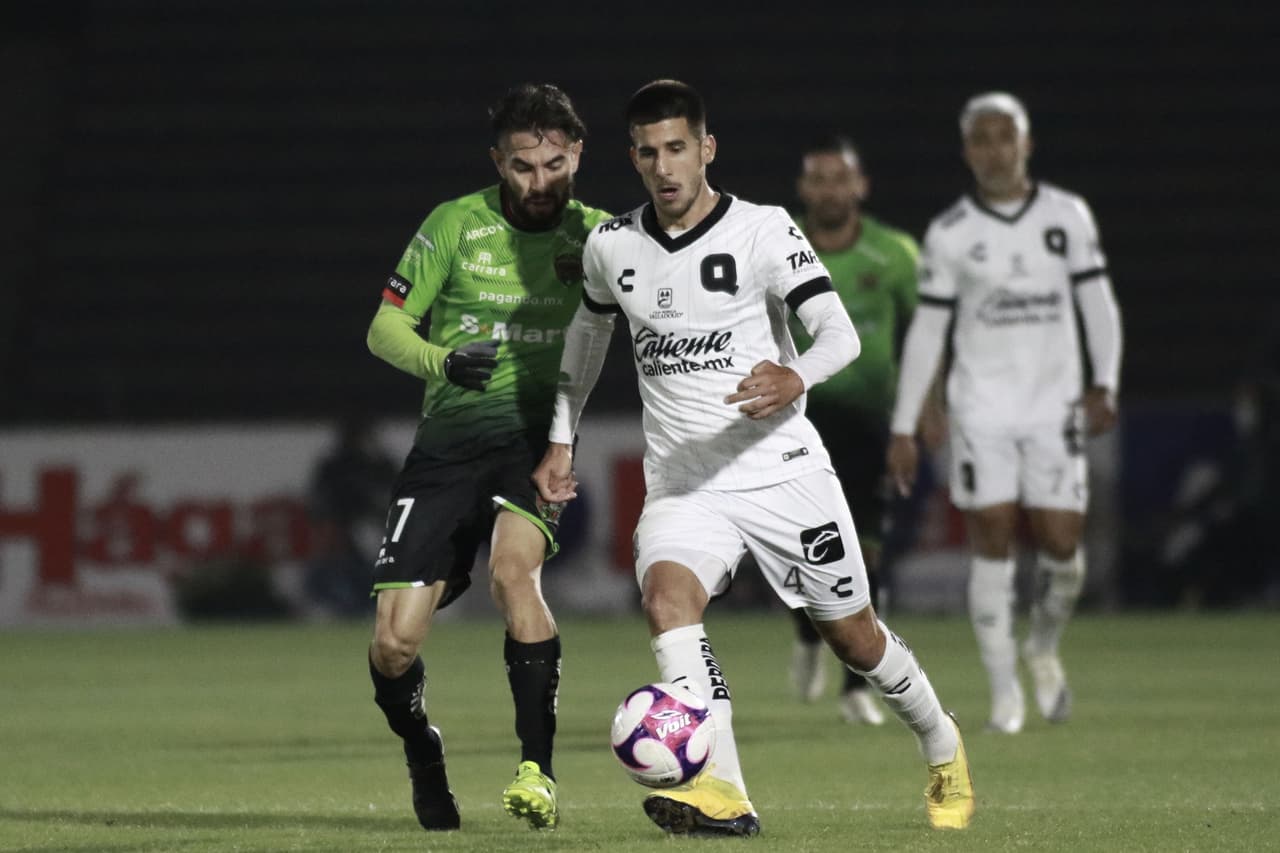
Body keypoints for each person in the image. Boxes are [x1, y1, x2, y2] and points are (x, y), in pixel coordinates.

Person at [533, 79, 974, 836]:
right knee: (669, 603)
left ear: (705, 149)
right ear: (634, 159)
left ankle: (941, 739)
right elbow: (586, 341)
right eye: (648, 153)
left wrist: (794, 372)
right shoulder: (613, 246)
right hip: (684, 484)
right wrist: (560, 434)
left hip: (783, 471)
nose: (664, 166)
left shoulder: (765, 231)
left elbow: (841, 334)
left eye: (678, 148)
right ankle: (724, 790)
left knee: (855, 636)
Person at [363, 82, 610, 832]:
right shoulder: (453, 225)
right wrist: (442, 361)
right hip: (445, 448)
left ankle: (538, 769)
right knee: (395, 642)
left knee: (514, 573)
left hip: (535, 442)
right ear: (498, 163)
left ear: (578, 155)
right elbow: (384, 328)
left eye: (555, 164)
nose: (542, 182)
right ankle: (422, 750)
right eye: (524, 167)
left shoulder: (600, 238)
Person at [888, 92, 1123, 734]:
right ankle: (1004, 697)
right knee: (989, 532)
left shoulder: (1066, 217)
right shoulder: (951, 233)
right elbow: (929, 334)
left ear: (1026, 144)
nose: (994, 149)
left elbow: (1098, 305)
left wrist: (1105, 382)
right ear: (968, 152)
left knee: (1061, 545)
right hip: (981, 408)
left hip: (1055, 405)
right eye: (982, 139)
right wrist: (905, 423)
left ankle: (1042, 647)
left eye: (1005, 137)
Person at [785, 134, 942, 724]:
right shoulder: (780, 243)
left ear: (860, 185)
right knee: (804, 556)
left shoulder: (896, 253)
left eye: (839, 178)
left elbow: (924, 338)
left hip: (873, 426)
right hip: (799, 424)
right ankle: (806, 635)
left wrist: (929, 407)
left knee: (866, 553)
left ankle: (856, 689)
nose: (829, 190)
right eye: (818, 180)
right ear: (804, 190)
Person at [303, 416, 396, 617]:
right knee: (336, 577)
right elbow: (320, 504)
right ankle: (338, 609)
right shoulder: (334, 467)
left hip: (378, 531)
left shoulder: (381, 466)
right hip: (342, 533)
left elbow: (398, 499)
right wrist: (332, 528)